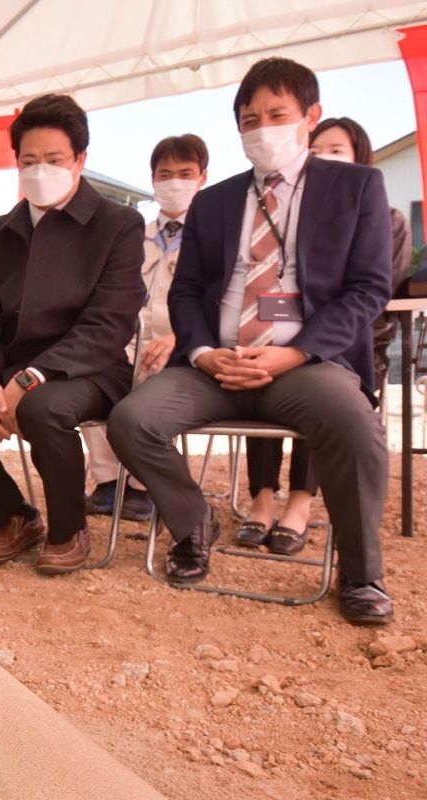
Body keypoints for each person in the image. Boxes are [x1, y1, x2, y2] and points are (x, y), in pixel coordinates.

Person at [107, 58, 395, 625]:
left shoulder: (356, 185)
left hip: (306, 364)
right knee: (131, 420)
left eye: (276, 114)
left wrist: (295, 352)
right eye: (248, 118)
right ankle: (193, 525)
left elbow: (368, 289)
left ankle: (361, 573)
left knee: (356, 424)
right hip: (215, 364)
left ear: (310, 116)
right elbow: (187, 291)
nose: (261, 127)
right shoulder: (214, 201)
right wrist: (203, 352)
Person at [0, 93, 145, 574]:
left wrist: (31, 378)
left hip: (89, 368)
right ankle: (13, 517)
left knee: (45, 408)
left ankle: (69, 528)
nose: (40, 170)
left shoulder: (119, 224)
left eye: (54, 160)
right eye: (29, 161)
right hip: (5, 367)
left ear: (80, 160)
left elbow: (109, 323)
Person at [238, 116, 413, 555]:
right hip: (282, 336)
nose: (324, 158)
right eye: (316, 150)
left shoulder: (388, 220)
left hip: (353, 347)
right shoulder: (284, 213)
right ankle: (261, 497)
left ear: (360, 160)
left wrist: (307, 331)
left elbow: (369, 292)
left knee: (321, 391)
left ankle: (300, 500)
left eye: (338, 150)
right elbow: (270, 290)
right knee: (261, 367)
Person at [83, 134, 209, 522]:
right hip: (127, 337)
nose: (174, 182)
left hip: (184, 343)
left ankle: (143, 486)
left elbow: (218, 300)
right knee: (90, 371)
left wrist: (178, 339)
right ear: (152, 180)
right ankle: (106, 480)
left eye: (185, 173)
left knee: (155, 376)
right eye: (165, 173)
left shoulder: (213, 235)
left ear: (203, 178)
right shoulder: (132, 233)